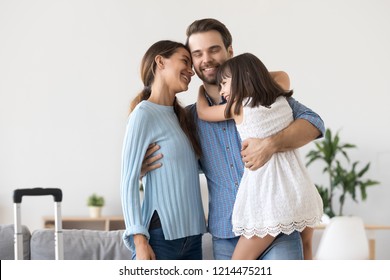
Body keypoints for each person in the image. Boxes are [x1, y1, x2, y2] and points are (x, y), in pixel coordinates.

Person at [142, 18, 325, 260]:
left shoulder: (262, 98)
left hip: (276, 225)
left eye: (214, 49)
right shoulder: (187, 120)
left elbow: (314, 122)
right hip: (226, 231)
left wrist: (271, 144)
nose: (206, 59)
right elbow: (179, 165)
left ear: (230, 51)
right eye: (197, 54)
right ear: (193, 63)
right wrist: (145, 167)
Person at [196, 52, 324, 260]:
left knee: (237, 263)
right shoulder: (280, 97)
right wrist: (252, 74)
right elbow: (282, 75)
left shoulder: (237, 108)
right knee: (307, 249)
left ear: (241, 78)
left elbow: (203, 112)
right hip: (300, 190)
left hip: (271, 200)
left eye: (225, 83)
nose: (222, 90)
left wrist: (202, 90)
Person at [120, 40, 207, 260]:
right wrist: (139, 240)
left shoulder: (183, 117)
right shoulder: (143, 114)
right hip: (161, 238)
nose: (191, 71)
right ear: (160, 61)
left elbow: (186, 169)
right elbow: (127, 181)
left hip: (193, 239)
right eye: (185, 61)